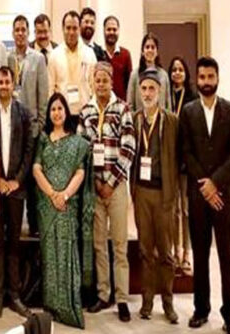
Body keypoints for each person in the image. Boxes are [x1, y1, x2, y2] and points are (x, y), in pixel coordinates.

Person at [179, 56, 230, 334]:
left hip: (226, 196)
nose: (206, 82)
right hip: (198, 196)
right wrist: (204, 186)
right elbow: (186, 152)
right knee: (201, 255)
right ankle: (201, 309)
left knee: (228, 258)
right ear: (197, 79)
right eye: (202, 77)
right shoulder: (188, 111)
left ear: (217, 78)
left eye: (210, 77)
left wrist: (214, 183)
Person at [78, 62, 136, 322]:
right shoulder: (86, 111)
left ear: (112, 82)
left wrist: (111, 182)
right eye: (97, 80)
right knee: (99, 244)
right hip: (95, 187)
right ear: (92, 82)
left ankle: (122, 298)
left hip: (117, 187)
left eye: (105, 80)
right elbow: (81, 149)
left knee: (120, 245)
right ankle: (104, 294)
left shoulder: (123, 109)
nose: (100, 84)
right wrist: (95, 182)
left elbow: (129, 148)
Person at [33, 93, 93, 328]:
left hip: (67, 206)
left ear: (66, 112)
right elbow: (36, 169)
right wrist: (52, 194)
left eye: (60, 108)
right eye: (53, 109)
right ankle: (52, 306)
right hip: (47, 206)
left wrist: (64, 195)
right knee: (50, 255)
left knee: (66, 254)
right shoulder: (43, 139)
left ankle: (68, 306)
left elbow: (80, 172)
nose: (56, 113)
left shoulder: (77, 142)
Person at [130, 69, 180, 324]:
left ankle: (168, 303)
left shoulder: (171, 121)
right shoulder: (134, 120)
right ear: (139, 92)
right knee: (145, 250)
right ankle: (147, 301)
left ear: (160, 92)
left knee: (165, 252)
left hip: (164, 194)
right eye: (144, 89)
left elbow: (180, 158)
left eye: (152, 89)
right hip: (141, 193)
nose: (148, 93)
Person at [0, 67, 33, 318]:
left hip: (16, 189)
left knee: (13, 243)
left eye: (7, 82)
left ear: (14, 84)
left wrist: (16, 181)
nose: (4, 85)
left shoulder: (23, 113)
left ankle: (14, 295)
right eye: (0, 82)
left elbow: (28, 150)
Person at [169, 56, 198, 275]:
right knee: (173, 209)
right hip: (170, 159)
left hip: (186, 162)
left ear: (186, 73)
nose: (177, 73)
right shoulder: (166, 96)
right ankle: (175, 252)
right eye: (174, 69)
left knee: (186, 210)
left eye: (180, 69)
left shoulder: (192, 98)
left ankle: (187, 253)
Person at [47, 10, 98, 118]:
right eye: (68, 28)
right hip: (62, 115)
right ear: (63, 29)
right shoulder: (54, 55)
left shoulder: (89, 54)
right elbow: (50, 88)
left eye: (75, 28)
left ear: (79, 29)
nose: (71, 32)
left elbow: (94, 86)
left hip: (85, 113)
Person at [9, 15, 48, 138]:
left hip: (32, 124)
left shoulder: (39, 59)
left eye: (23, 30)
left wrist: (40, 124)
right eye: (17, 30)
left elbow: (43, 95)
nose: (20, 33)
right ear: (13, 34)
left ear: (28, 33)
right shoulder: (8, 58)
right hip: (12, 123)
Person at [126, 33, 172, 112]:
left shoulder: (164, 75)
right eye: (147, 47)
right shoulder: (134, 75)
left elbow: (168, 104)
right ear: (142, 51)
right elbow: (130, 104)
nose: (150, 50)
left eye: (153, 47)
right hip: (140, 119)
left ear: (157, 52)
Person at [102, 16, 132, 101]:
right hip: (101, 104)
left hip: (121, 104)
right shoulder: (97, 53)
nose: (112, 32)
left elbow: (129, 84)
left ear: (118, 31)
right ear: (103, 31)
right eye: (109, 29)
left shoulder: (126, 54)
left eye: (114, 29)